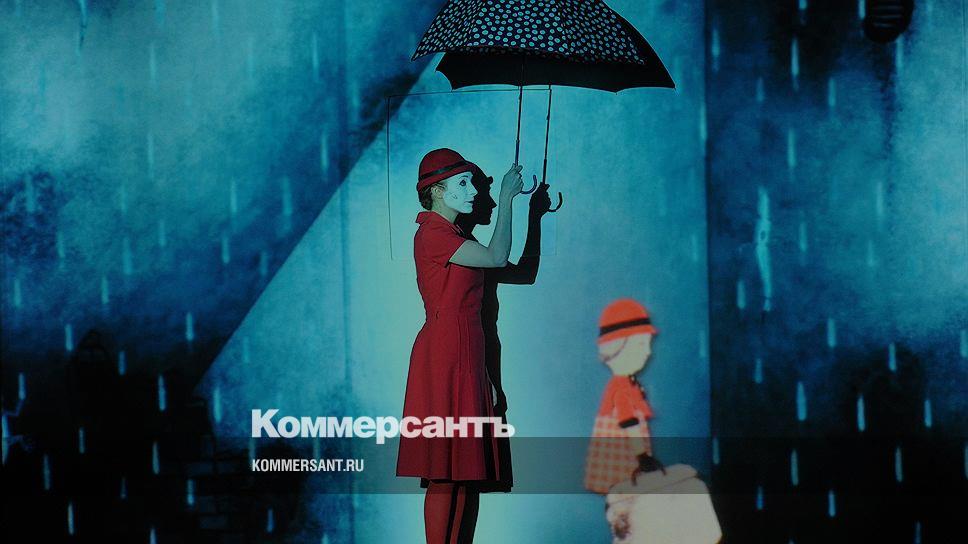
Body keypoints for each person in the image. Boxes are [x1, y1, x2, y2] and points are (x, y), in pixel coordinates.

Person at [396, 148, 523, 543]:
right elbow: (497, 257)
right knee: (444, 472)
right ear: (436, 190)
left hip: (468, 355)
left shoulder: (458, 237)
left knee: (466, 472)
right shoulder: (433, 233)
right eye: (463, 183)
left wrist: (486, 375)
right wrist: (507, 198)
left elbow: (521, 270)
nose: (475, 192)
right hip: (444, 355)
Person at [456, 164, 552, 493]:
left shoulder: (471, 248)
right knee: (465, 471)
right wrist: (511, 200)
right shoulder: (460, 248)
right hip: (474, 362)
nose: (491, 203)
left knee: (474, 475)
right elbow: (504, 262)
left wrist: (535, 217)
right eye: (485, 195)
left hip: (484, 359)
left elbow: (524, 274)